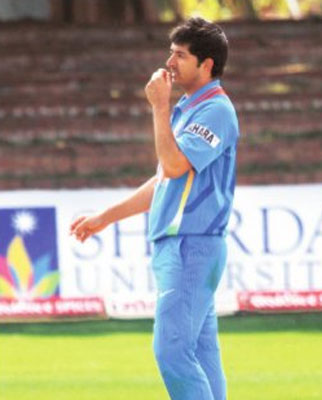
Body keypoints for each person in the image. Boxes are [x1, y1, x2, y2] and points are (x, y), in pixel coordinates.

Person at [70, 17, 239, 400]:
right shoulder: (191, 108)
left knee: (172, 352)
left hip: (191, 245)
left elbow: (175, 166)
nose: (170, 62)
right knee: (201, 354)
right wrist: (103, 219)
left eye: (180, 55)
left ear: (206, 64)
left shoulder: (215, 110)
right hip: (184, 245)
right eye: (171, 53)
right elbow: (166, 179)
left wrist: (159, 107)